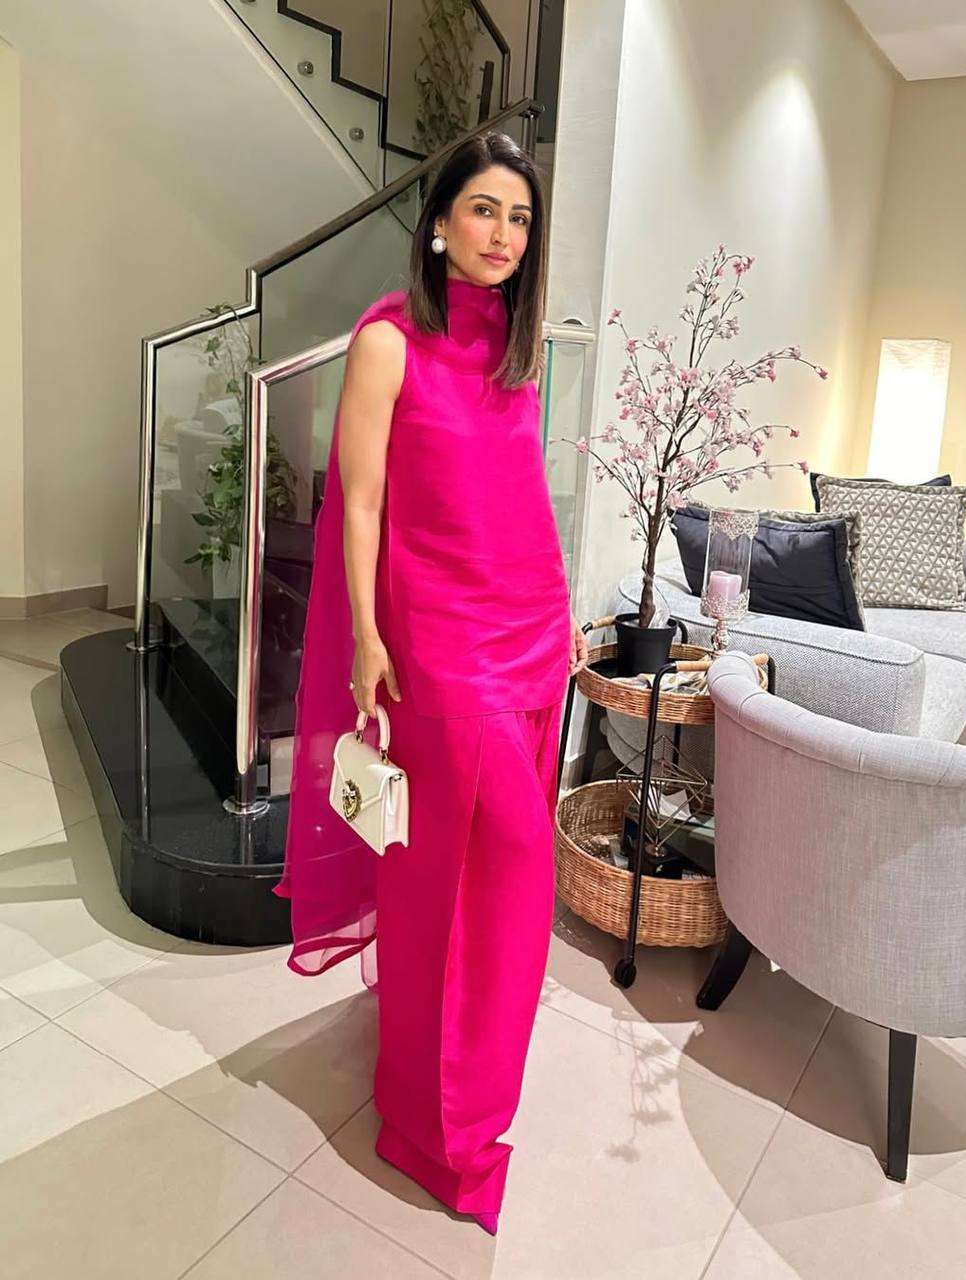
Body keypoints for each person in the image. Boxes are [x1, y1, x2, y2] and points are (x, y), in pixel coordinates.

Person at [272, 130, 589, 1235]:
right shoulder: (386, 339)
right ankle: (434, 1119)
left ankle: (459, 1079)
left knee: (496, 875)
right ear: (441, 220)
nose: (502, 234)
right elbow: (357, 501)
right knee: (480, 871)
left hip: (527, 626)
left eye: (520, 218)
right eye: (484, 210)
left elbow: (517, 488)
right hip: (438, 642)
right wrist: (367, 635)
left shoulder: (516, 345)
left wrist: (562, 609)